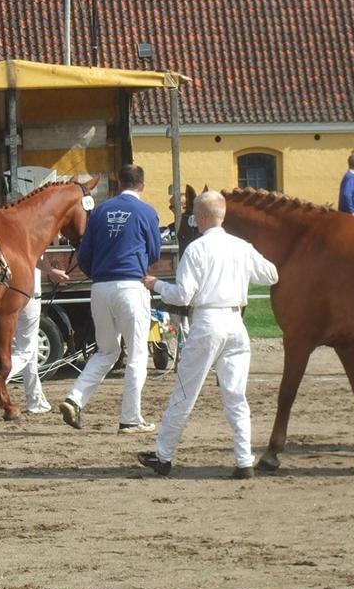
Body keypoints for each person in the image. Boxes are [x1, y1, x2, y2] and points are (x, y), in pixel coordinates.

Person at [136, 190, 279, 478]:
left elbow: (184, 295)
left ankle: (164, 456)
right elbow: (271, 274)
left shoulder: (197, 249)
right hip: (236, 322)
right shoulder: (241, 246)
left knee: (185, 393)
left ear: (200, 218)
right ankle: (243, 460)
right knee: (236, 395)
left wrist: (156, 285)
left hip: (207, 322)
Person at [59, 164, 161, 433]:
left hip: (100, 287)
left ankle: (75, 397)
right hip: (130, 285)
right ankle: (130, 417)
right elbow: (154, 252)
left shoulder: (101, 210)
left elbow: (84, 254)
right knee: (137, 353)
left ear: (118, 183)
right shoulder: (147, 212)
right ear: (142, 184)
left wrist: (98, 273)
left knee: (106, 351)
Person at [0, 255, 70, 414]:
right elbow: (34, 257)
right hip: (30, 295)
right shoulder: (31, 234)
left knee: (29, 351)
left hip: (10, 294)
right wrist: (52, 271)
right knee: (26, 351)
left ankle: (36, 401)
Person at [337, 153, 354, 218]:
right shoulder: (350, 177)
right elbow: (346, 194)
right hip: (352, 219)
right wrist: (352, 211)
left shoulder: (352, 177)